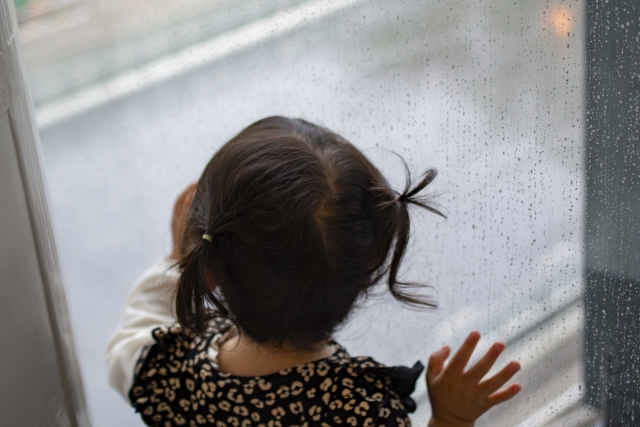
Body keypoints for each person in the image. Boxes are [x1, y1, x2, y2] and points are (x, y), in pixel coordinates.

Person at [105, 116, 521, 427]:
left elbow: (128, 341)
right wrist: (449, 418)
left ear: (210, 265)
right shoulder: (361, 413)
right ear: (371, 264)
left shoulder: (172, 375)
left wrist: (177, 262)